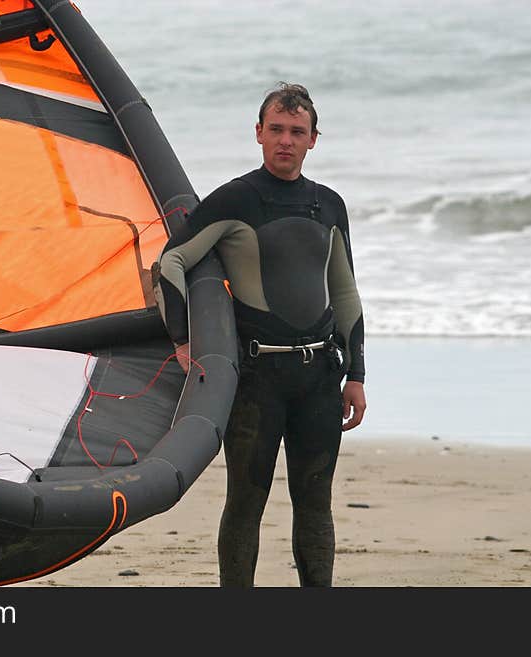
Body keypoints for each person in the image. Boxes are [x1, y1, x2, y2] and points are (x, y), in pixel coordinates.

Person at [152, 83, 366, 587]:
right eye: (276, 130)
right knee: (246, 503)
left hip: (319, 376)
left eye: (297, 131)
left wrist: (356, 374)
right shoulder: (236, 199)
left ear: (314, 139)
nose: (285, 141)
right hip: (256, 380)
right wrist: (184, 341)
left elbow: (346, 293)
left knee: (316, 502)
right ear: (258, 133)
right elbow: (170, 263)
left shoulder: (329, 205)